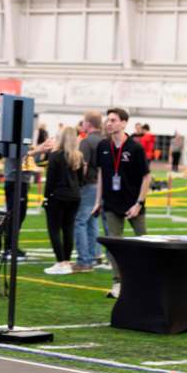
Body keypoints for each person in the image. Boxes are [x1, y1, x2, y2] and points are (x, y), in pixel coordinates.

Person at [92, 108, 151, 299]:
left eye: (113, 120)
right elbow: (101, 174)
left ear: (124, 123)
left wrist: (139, 203)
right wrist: (97, 201)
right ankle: (118, 283)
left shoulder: (135, 148)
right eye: (107, 120)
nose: (109, 123)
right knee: (114, 246)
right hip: (111, 204)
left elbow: (146, 177)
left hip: (133, 204)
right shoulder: (102, 146)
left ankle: (150, 280)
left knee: (145, 242)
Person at [43, 127, 84, 275]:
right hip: (74, 196)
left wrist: (46, 197)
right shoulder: (78, 156)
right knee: (68, 229)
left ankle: (61, 262)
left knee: (54, 229)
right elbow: (81, 180)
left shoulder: (55, 155)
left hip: (58, 196)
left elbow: (50, 181)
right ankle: (66, 261)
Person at [73, 111, 104, 273]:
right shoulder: (106, 140)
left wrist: (77, 184)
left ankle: (84, 260)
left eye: (84, 121)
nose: (82, 124)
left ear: (89, 123)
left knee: (80, 221)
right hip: (102, 186)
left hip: (89, 185)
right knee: (93, 221)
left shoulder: (86, 142)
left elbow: (83, 166)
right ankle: (95, 254)